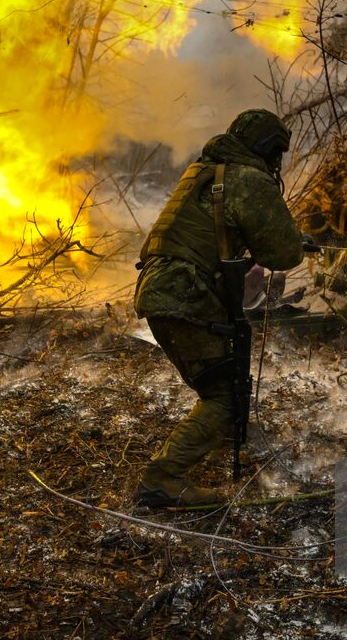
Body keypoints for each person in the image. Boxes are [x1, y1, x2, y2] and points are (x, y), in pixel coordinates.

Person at [131, 108, 309, 507]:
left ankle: (222, 435)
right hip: (184, 296)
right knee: (225, 394)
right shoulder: (248, 179)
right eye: (276, 152)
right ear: (268, 150)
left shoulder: (205, 172)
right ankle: (163, 479)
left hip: (164, 290)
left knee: (222, 380)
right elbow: (284, 252)